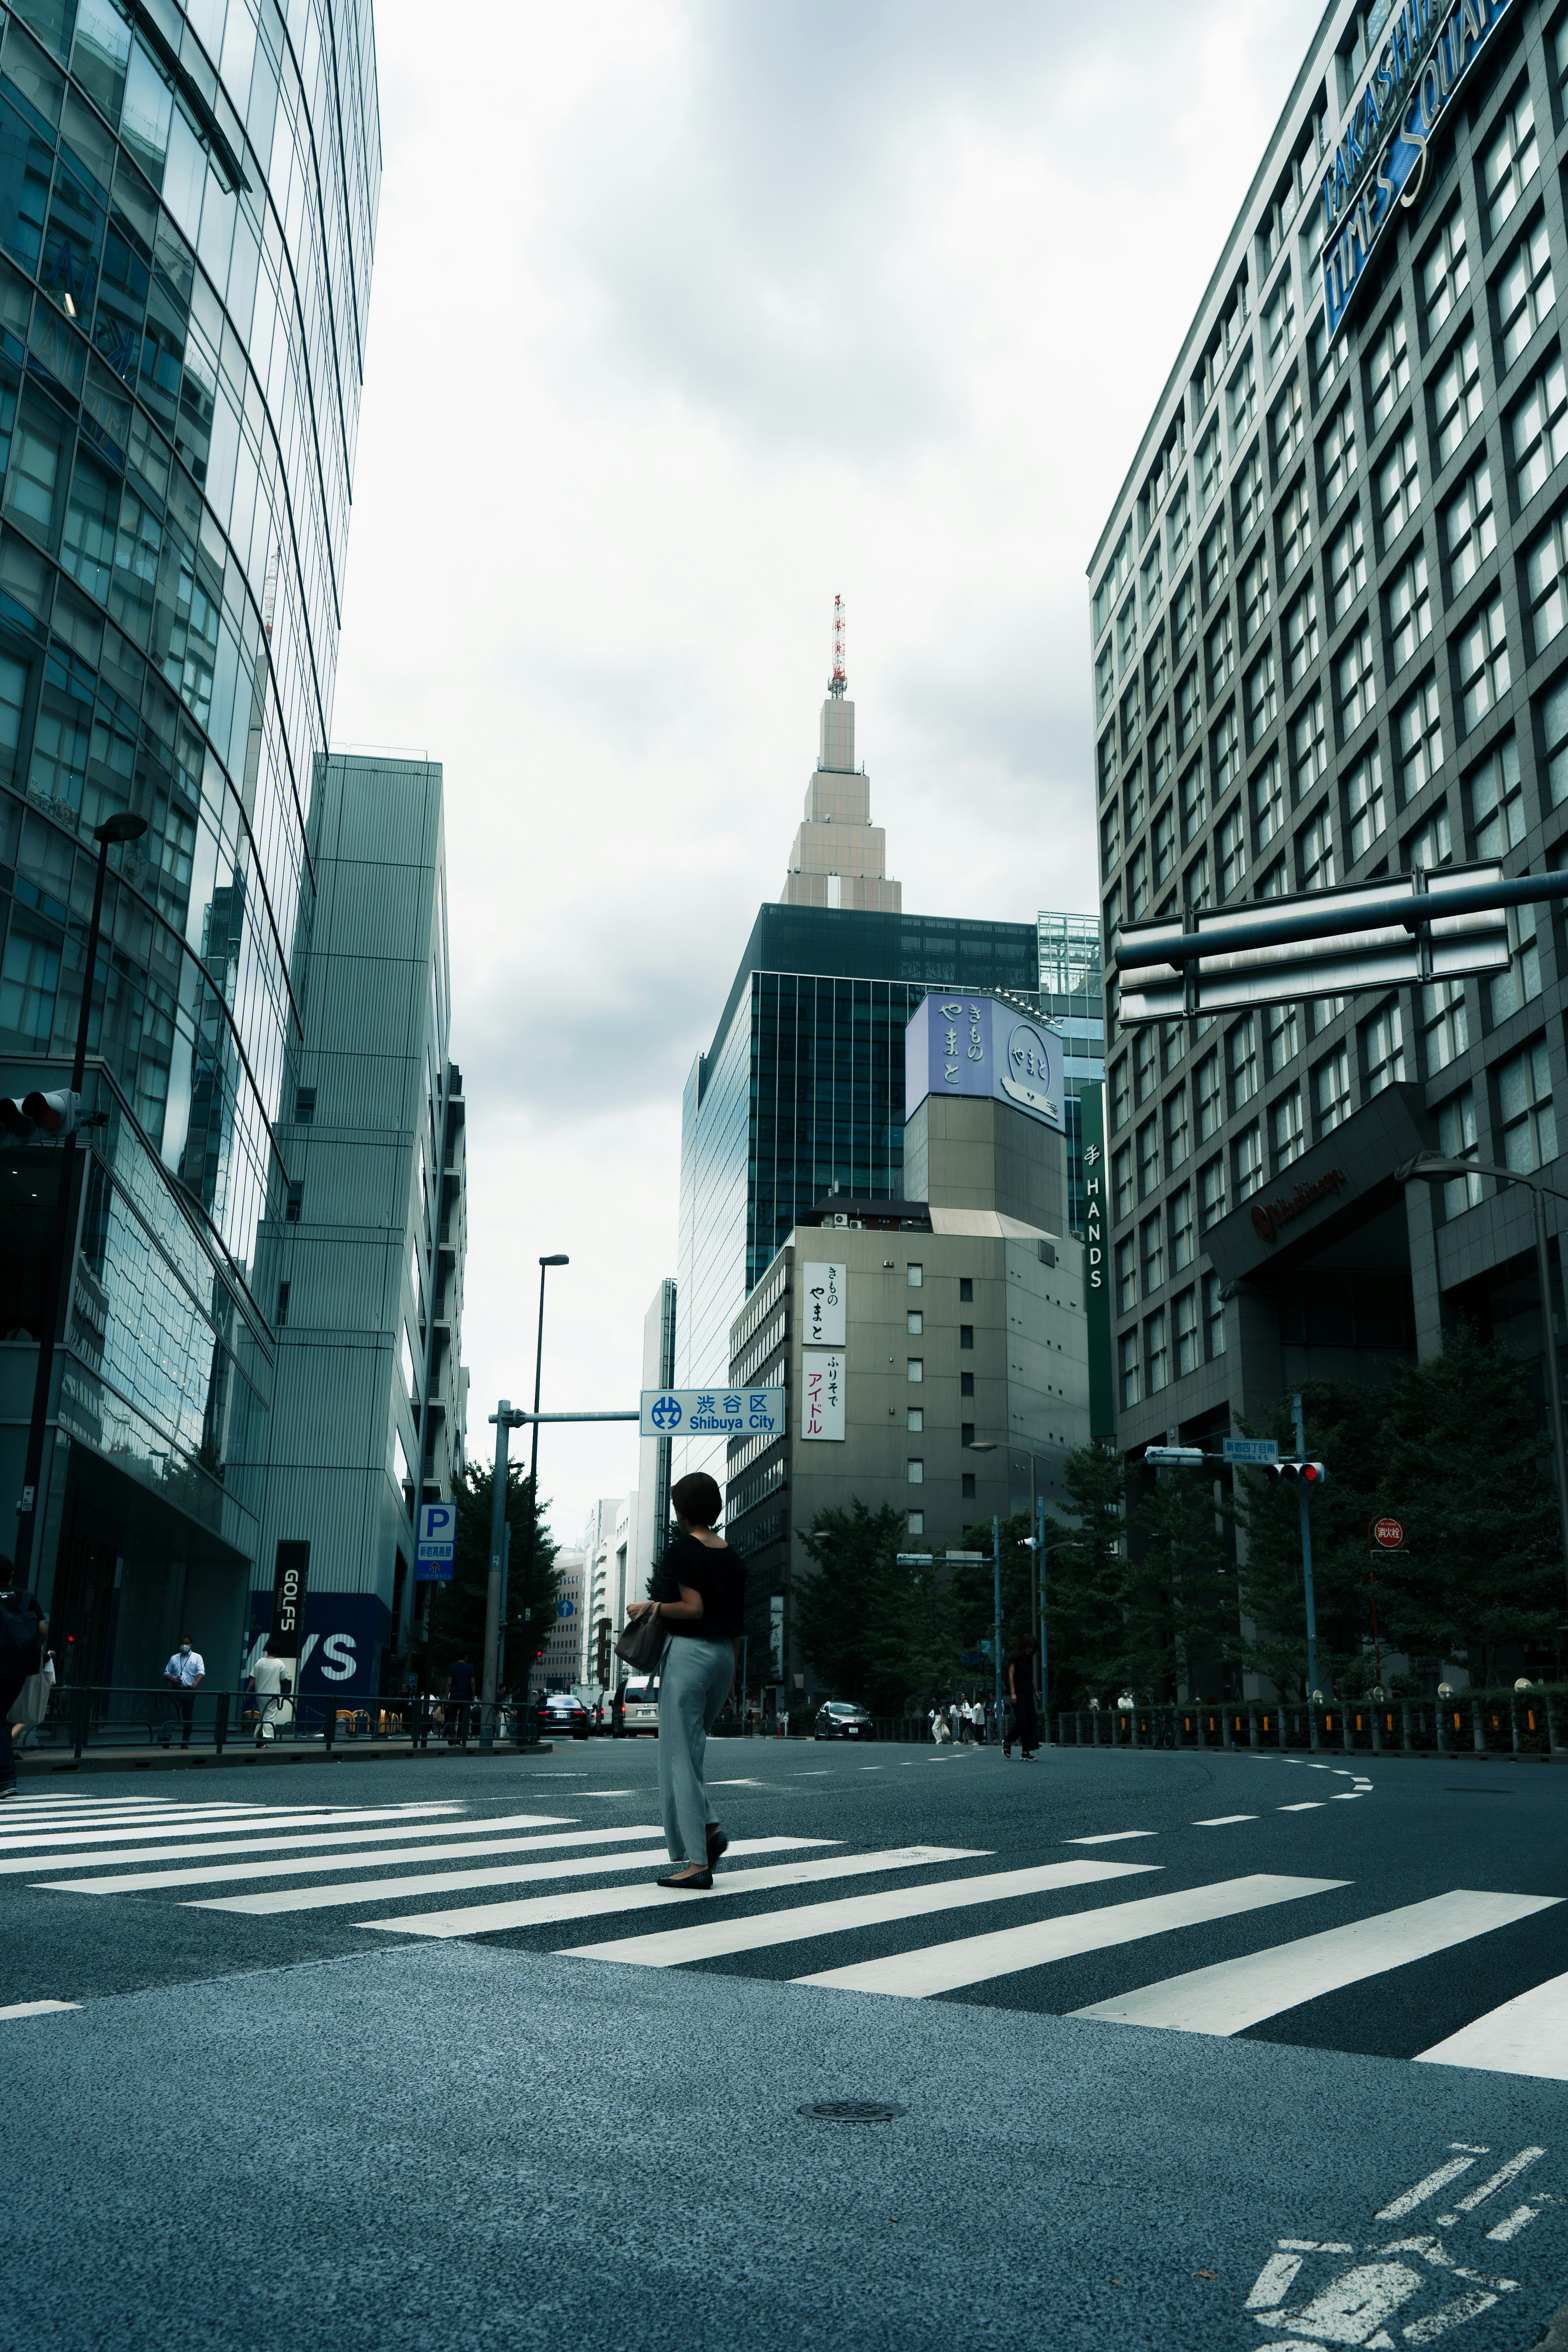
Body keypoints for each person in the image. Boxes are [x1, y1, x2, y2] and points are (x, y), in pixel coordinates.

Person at [625, 1470, 744, 1889]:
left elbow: (692, 1608)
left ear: (684, 1509)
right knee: (691, 1754)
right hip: (723, 1659)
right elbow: (734, 1625)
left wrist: (652, 1607)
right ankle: (709, 1831)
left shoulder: (682, 1551)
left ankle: (697, 1863)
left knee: (679, 1757)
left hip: (691, 1656)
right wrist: (730, 1678)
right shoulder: (732, 1555)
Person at [0, 1570, 43, 1797]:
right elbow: (42, 1629)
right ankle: (7, 1778)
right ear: (11, 1573)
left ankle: (6, 1780)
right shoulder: (26, 1597)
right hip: (18, 1668)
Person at [246, 1641, 292, 1745]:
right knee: (270, 1718)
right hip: (273, 1696)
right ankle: (263, 1741)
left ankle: (259, 1737)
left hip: (260, 1695)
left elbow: (253, 1678)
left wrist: (247, 1692)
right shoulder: (280, 1664)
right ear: (279, 1651)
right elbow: (284, 1680)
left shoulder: (260, 1662)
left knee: (263, 1716)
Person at [161, 1636, 204, 1747]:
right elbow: (167, 1673)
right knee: (171, 1715)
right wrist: (172, 1680)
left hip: (189, 1691)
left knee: (188, 1717)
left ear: (191, 1645)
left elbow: (201, 1672)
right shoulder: (174, 1658)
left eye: (187, 1643)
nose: (184, 1645)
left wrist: (196, 1683)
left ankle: (185, 1741)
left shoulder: (197, 1658)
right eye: (183, 1643)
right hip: (175, 1691)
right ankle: (167, 1739)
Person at [1006, 1639, 1040, 1760]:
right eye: (1029, 1647)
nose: (1031, 1650)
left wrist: (1036, 1692)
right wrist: (1013, 1693)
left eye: (1033, 1648)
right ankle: (1008, 1740)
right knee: (1022, 1720)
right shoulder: (1014, 1658)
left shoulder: (1029, 1659)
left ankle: (1026, 1752)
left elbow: (1030, 1677)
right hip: (1018, 1693)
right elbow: (1011, 1675)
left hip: (1028, 1693)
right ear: (1024, 1645)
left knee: (1031, 1721)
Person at [445, 1651, 475, 1744]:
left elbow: (449, 1683)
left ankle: (452, 1731)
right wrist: (473, 1696)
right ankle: (458, 1742)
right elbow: (473, 1683)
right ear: (465, 1657)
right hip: (465, 1698)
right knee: (463, 1720)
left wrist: (446, 1697)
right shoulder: (470, 1667)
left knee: (451, 1716)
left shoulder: (452, 1667)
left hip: (454, 1696)